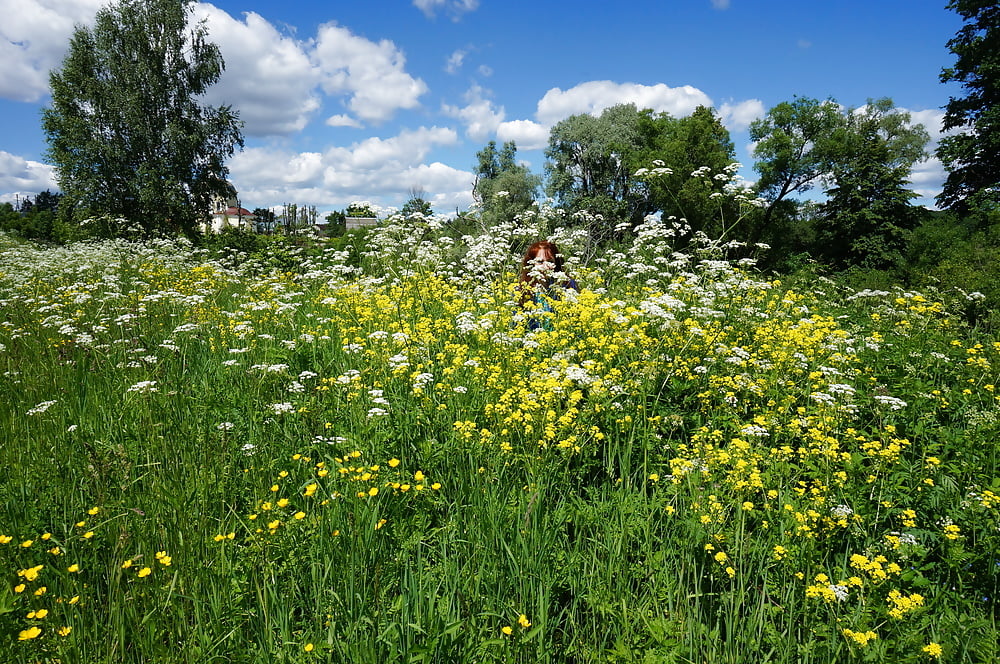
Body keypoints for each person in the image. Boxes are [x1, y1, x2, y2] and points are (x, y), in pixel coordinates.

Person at [517, 241, 578, 330]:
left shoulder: (567, 285)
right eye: (540, 262)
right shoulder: (522, 291)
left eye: (550, 261)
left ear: (556, 263)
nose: (546, 266)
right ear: (531, 264)